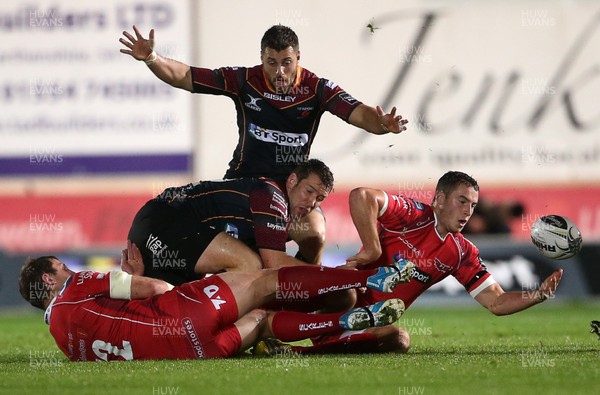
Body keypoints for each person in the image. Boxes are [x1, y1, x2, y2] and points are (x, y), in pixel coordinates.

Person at [119, 24, 409, 264]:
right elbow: (187, 76)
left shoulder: (317, 89)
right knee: (247, 259)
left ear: (298, 58)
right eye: (271, 63)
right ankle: (254, 311)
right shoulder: (245, 79)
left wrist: (381, 125)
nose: (279, 71)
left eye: (286, 62)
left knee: (315, 236)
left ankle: (301, 299)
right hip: (245, 187)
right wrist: (152, 59)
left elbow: (359, 113)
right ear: (262, 59)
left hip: (291, 191)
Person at [253, 171, 563, 355]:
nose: (468, 211)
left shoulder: (460, 252)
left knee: (399, 339)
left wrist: (537, 295)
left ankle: (293, 351)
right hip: (336, 299)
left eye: (473, 205)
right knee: (346, 292)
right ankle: (266, 319)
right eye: (461, 201)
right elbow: (362, 196)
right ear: (439, 199)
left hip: (365, 328)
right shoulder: (412, 215)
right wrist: (373, 248)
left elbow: (495, 302)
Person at [17, 243, 409, 361]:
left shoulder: (62, 342)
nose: (70, 269)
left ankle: (344, 323)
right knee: (264, 281)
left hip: (197, 352)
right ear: (50, 280)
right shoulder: (76, 285)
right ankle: (369, 276)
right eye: (62, 266)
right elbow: (154, 290)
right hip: (179, 313)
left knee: (262, 321)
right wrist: (135, 275)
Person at [126, 159, 334, 286]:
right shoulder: (272, 196)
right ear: (292, 181)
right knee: (250, 265)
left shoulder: (268, 209)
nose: (312, 202)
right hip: (165, 220)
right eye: (309, 191)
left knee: (166, 308)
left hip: (158, 226)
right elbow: (275, 264)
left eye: (320, 199)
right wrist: (334, 276)